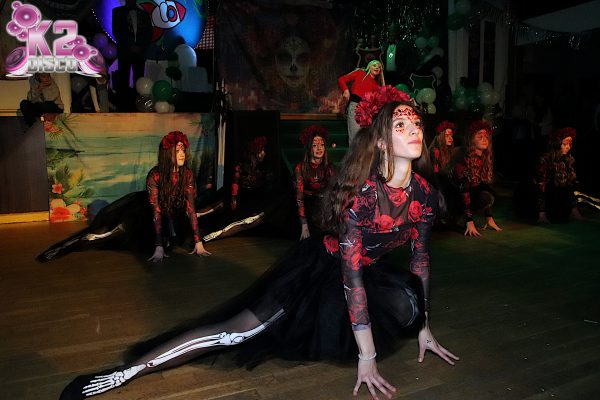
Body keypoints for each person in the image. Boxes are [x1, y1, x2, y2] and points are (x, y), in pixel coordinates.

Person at [58, 86, 458, 400]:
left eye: (416, 123)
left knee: (407, 305)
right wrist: (367, 358)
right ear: (382, 142)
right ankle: (125, 372)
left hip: (367, 273)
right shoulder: (363, 199)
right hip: (320, 269)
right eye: (401, 125)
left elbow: (420, 261)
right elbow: (351, 280)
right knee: (238, 333)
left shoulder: (425, 194)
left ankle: (402, 327)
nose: (414, 130)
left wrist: (424, 327)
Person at [37, 131, 211, 263]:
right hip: (145, 212)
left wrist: (198, 243)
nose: (181, 154)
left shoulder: (187, 174)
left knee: (176, 240)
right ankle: (62, 248)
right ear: (167, 153)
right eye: (177, 150)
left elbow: (191, 208)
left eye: (183, 149)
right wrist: (158, 245)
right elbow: (156, 211)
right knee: (104, 234)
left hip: (171, 216)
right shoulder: (155, 175)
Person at [451, 120, 502, 237]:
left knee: (488, 194)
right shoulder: (463, 157)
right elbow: (463, 190)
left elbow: (485, 188)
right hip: (454, 195)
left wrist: (489, 218)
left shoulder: (484, 158)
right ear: (472, 139)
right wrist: (469, 221)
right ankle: (459, 216)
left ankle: (462, 217)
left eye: (486, 137)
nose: (484, 139)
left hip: (468, 194)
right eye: (480, 137)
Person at [294, 124, 336, 239]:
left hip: (323, 207)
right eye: (314, 145)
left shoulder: (329, 168)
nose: (319, 148)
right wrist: (304, 224)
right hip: (307, 208)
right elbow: (299, 198)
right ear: (309, 148)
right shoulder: (300, 168)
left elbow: (334, 193)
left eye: (322, 145)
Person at [535, 127, 583, 223]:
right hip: (548, 198)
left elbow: (570, 185)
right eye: (564, 144)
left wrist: (573, 208)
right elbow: (541, 185)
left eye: (570, 144)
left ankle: (573, 211)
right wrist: (542, 212)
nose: (568, 147)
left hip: (560, 199)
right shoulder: (546, 158)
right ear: (557, 144)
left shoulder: (567, 159)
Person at [112, 0, 152, 110]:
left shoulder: (144, 14)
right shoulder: (117, 12)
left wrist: (140, 46)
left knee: (139, 79)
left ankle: (138, 105)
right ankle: (122, 106)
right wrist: (129, 46)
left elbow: (149, 32)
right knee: (123, 79)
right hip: (125, 51)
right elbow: (116, 31)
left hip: (140, 52)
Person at [338, 59, 385, 143]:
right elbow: (341, 79)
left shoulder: (376, 85)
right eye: (374, 65)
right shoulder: (360, 72)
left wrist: (382, 76)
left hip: (367, 112)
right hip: (355, 107)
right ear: (369, 66)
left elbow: (383, 96)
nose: (377, 68)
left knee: (364, 140)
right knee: (355, 138)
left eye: (379, 67)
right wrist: (345, 90)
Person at [429, 120, 458, 226]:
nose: (450, 138)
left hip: (445, 180)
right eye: (447, 136)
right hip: (435, 181)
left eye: (451, 136)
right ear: (441, 137)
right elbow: (436, 174)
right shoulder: (435, 151)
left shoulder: (450, 151)